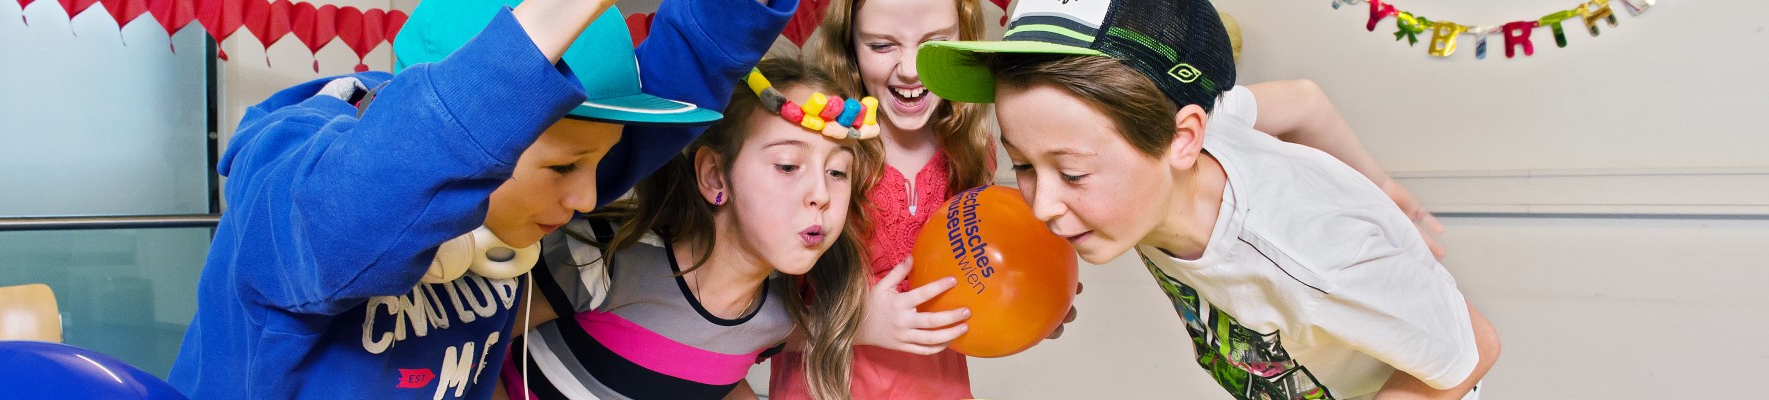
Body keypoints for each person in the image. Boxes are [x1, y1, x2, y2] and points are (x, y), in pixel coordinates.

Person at [165, 0, 795, 397]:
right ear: (477, 141)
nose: (586, 195)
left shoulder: (527, 189)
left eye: (599, 162)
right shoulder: (295, 190)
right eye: (566, 166)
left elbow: (689, 65)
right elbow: (359, 209)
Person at [916, 0, 1500, 398]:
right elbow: (1304, 101)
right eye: (1021, 164)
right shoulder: (1192, 137)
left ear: (1182, 139)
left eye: (1071, 173)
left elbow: (1473, 349)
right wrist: (1384, 187)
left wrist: (1368, 207)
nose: (1040, 206)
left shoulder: (1310, 258)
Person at [497, 57, 875, 400]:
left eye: (837, 172)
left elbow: (704, 375)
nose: (821, 195)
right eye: (788, 166)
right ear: (715, 177)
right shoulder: (604, 256)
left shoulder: (775, 318)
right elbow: (475, 346)